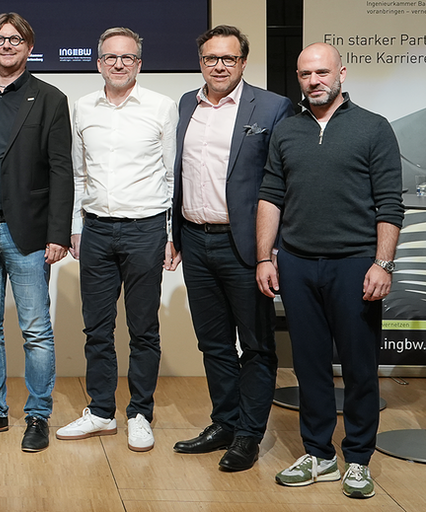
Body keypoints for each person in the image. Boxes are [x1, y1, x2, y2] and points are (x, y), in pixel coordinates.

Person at [257, 42, 403, 499]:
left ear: (342, 73)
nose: (313, 81)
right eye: (305, 74)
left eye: (322, 72)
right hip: (297, 264)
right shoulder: (287, 131)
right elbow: (270, 196)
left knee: (359, 367)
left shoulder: (373, 128)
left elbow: (390, 204)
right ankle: (319, 454)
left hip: (355, 264)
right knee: (310, 365)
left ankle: (358, 459)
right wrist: (265, 256)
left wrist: (383, 263)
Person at [171, 25, 293, 471]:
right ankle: (223, 421)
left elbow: (282, 182)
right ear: (200, 61)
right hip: (195, 240)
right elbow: (179, 173)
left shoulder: (274, 107)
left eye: (228, 58)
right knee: (214, 343)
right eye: (210, 59)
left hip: (245, 245)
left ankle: (248, 435)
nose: (218, 66)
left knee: (257, 345)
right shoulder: (188, 104)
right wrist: (174, 234)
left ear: (243, 62)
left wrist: (271, 250)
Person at [56, 27, 178, 452]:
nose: (120, 64)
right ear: (99, 63)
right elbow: (77, 173)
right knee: (97, 327)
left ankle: (140, 412)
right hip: (96, 230)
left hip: (146, 229)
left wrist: (168, 234)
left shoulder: (161, 108)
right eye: (111, 57)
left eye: (128, 57)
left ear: (139, 63)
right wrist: (75, 227)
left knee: (143, 328)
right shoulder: (82, 108)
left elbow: (170, 176)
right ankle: (102, 411)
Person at [0, 13, 72, 453]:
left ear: (29, 46)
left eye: (16, 39)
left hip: (28, 233)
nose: (8, 45)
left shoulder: (49, 98)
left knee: (36, 329)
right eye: (0, 39)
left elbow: (62, 170)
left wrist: (58, 232)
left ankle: (38, 415)